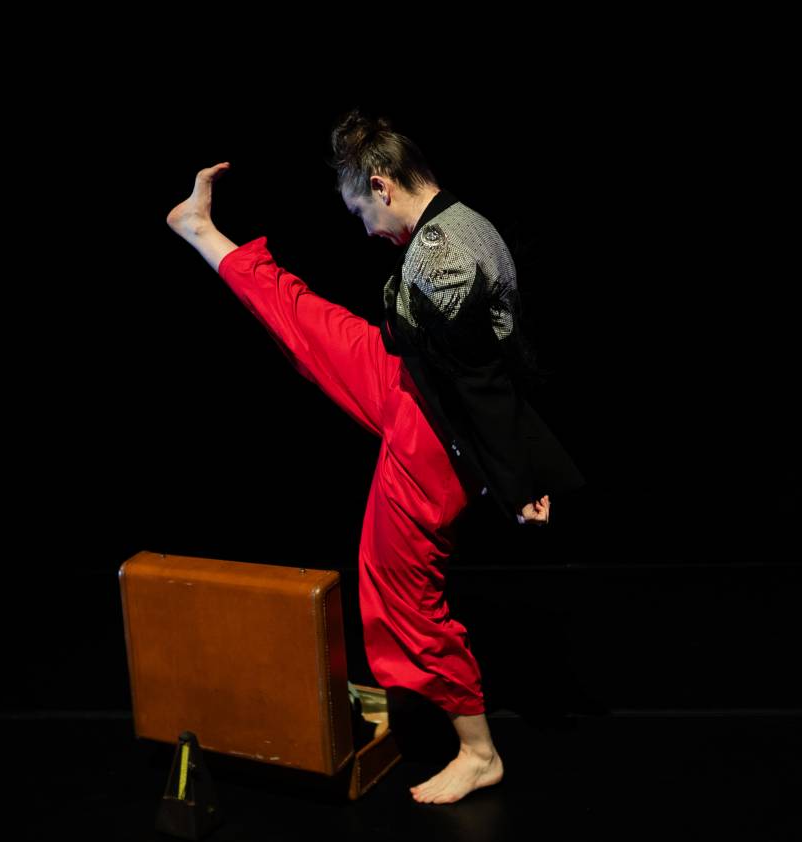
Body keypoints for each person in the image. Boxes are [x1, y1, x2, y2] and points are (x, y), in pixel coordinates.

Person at [165, 110, 582, 804]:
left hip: (437, 435)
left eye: (359, 207)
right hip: (412, 383)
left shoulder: (441, 263)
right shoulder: (457, 221)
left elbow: (484, 387)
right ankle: (200, 228)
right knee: (306, 320)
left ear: (383, 187)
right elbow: (478, 365)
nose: (361, 226)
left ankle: (479, 753)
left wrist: (519, 481)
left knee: (397, 590)